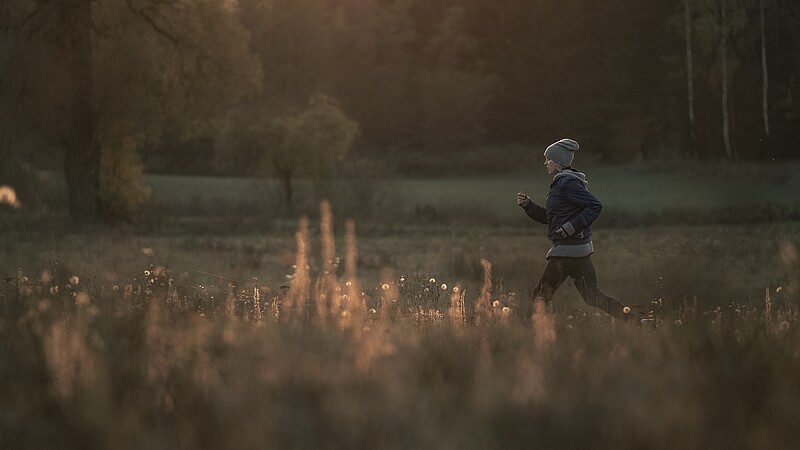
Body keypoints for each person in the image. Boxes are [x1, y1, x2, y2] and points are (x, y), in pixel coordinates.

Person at [517, 138, 633, 320]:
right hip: (579, 251)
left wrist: (571, 227)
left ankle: (530, 334)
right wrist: (529, 206)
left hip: (566, 253)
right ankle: (636, 320)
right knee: (593, 297)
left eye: (549, 159)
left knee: (540, 296)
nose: (545, 163)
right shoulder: (563, 183)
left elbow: (595, 206)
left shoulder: (567, 183)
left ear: (559, 162)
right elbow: (552, 219)